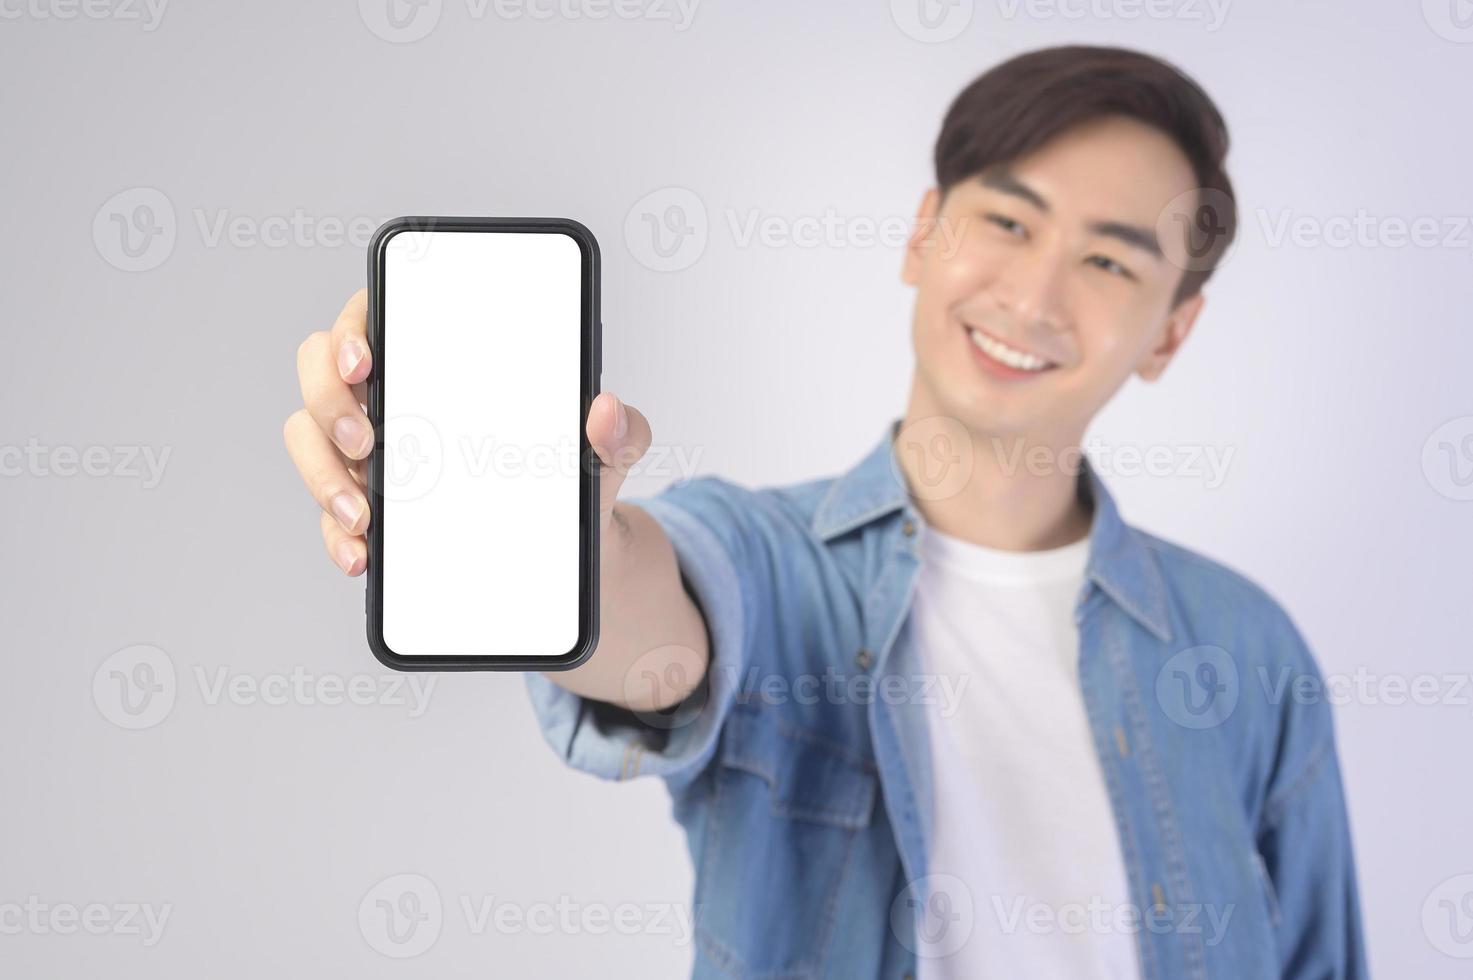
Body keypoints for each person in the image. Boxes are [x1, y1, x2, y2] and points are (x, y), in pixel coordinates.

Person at [284, 44, 1367, 980]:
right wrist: (552, 525)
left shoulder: (1247, 648)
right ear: (922, 234)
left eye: (1106, 260)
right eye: (1006, 219)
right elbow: (654, 625)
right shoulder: (769, 560)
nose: (1034, 299)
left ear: (1172, 330)